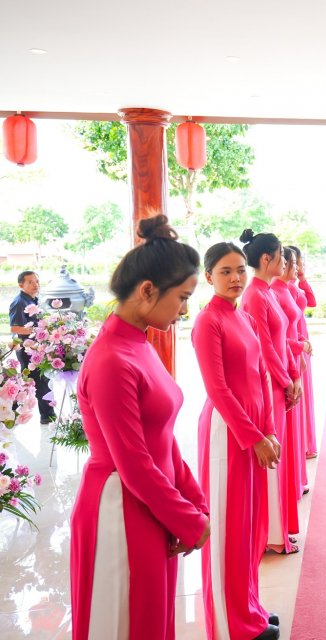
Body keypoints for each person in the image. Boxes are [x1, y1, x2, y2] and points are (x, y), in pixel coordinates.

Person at [70, 214, 210, 640]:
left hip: (150, 504)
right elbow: (132, 463)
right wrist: (187, 519)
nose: (184, 310)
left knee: (151, 619)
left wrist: (192, 501)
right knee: (126, 623)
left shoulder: (139, 343)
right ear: (148, 290)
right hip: (122, 507)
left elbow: (161, 437)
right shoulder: (112, 359)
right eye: (182, 298)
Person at [192, 242, 281, 640]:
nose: (235, 278)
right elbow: (218, 388)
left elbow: (261, 374)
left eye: (241, 270)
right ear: (208, 276)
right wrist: (252, 436)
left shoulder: (242, 315)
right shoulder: (208, 321)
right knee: (228, 530)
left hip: (253, 430)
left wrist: (269, 430)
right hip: (226, 434)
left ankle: (249, 609)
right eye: (225, 271)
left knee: (249, 528)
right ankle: (232, 627)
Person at [240, 229, 301, 555]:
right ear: (267, 259)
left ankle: (278, 529)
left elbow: (282, 339)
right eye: (280, 257)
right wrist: (285, 379)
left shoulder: (268, 292)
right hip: (268, 386)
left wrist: (293, 375)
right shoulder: (254, 295)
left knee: (280, 457)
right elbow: (264, 348)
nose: (285, 262)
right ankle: (271, 534)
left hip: (279, 384)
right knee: (272, 459)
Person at [271, 247, 309, 498]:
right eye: (290, 262)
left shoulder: (281, 290)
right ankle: (288, 487)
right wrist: (288, 377)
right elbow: (272, 342)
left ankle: (294, 481)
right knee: (285, 431)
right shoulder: (271, 292)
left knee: (293, 429)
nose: (293, 266)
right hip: (283, 365)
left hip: (291, 360)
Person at [9, 270, 56, 425]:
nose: (35, 284)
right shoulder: (19, 302)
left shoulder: (33, 299)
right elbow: (15, 328)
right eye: (30, 282)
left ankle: (10, 411)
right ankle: (48, 415)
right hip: (27, 351)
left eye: (37, 281)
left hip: (36, 349)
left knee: (29, 382)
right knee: (38, 382)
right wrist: (38, 331)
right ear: (21, 285)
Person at [288, 246, 319, 459]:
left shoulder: (294, 286)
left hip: (301, 335)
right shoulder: (284, 289)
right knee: (297, 390)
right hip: (295, 339)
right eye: (297, 262)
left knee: (305, 390)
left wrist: (303, 278)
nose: (300, 266)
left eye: (300, 262)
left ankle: (306, 442)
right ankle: (301, 444)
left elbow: (312, 301)